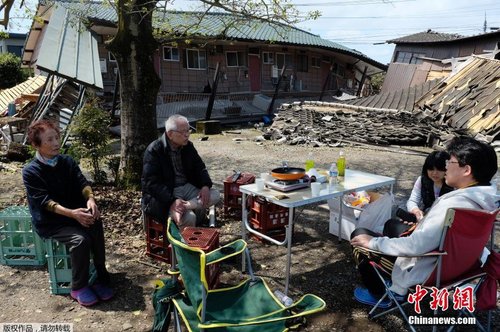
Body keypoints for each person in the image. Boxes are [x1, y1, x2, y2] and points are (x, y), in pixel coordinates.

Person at [350, 137, 498, 307]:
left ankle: (382, 294)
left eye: (450, 162)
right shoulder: (488, 201)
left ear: (466, 170)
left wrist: (374, 242)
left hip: (429, 271)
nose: (446, 166)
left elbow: (415, 247)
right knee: (392, 226)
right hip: (463, 268)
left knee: (359, 236)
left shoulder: (452, 205)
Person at [22, 120, 113, 307]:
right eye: (49, 140)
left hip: (75, 213)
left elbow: (83, 183)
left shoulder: (67, 162)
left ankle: (100, 275)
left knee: (95, 223)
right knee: (80, 240)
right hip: (51, 222)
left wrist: (90, 199)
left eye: (57, 137)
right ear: (36, 145)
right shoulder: (31, 171)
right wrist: (72, 214)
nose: (56, 143)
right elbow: (45, 202)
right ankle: (78, 287)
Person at [141, 114, 220, 229]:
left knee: (215, 194)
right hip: (168, 191)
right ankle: (185, 246)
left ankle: (185, 206)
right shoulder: (154, 150)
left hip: (187, 187)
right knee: (189, 218)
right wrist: (172, 201)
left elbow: (200, 167)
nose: (187, 135)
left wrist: (205, 185)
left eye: (188, 130)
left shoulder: (188, 146)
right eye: (183, 132)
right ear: (170, 134)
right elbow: (151, 183)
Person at [383, 150, 454, 238]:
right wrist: (416, 210)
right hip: (422, 221)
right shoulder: (422, 180)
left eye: (439, 169)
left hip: (440, 228)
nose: (435, 173)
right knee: (390, 223)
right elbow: (412, 201)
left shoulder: (453, 185)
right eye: (431, 169)